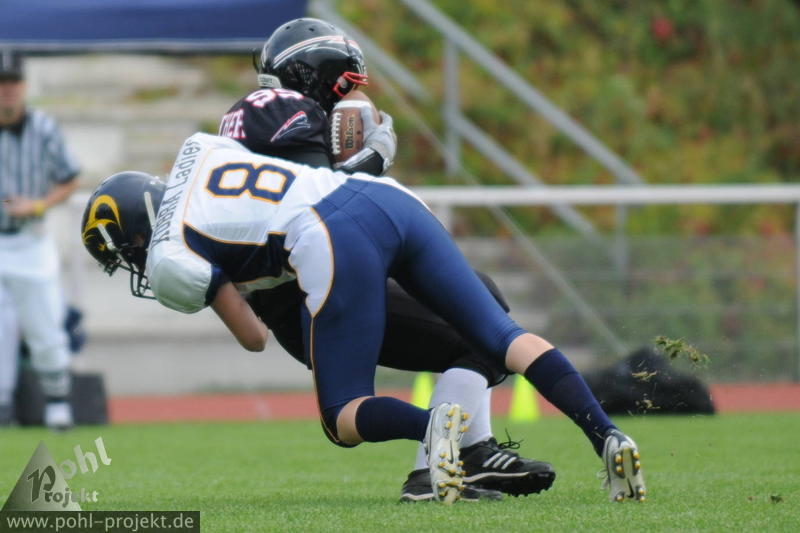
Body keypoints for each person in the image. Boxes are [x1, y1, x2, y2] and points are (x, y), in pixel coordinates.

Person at [81, 133, 646, 504]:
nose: (134, 265)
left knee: (342, 414)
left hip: (328, 236)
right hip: (381, 196)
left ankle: (433, 429)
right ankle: (607, 435)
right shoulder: (198, 149)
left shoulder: (167, 257)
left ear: (136, 232)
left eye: (124, 253)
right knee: (504, 336)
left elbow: (253, 337)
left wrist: (220, 283)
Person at [220, 17, 554, 502]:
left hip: (308, 288)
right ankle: (441, 466)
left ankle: (472, 452)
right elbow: (322, 205)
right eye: (344, 83)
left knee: (481, 302)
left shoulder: (255, 122)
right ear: (314, 75)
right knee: (483, 330)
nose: (350, 94)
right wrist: (372, 158)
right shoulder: (283, 121)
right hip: (312, 295)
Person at [0, 49, 78, 431]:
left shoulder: (44, 128)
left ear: (24, 85)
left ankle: (57, 403)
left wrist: (37, 205)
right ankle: (3, 406)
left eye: (12, 81)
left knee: (45, 324)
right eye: (1, 82)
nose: (7, 89)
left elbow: (69, 178)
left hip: (30, 239)